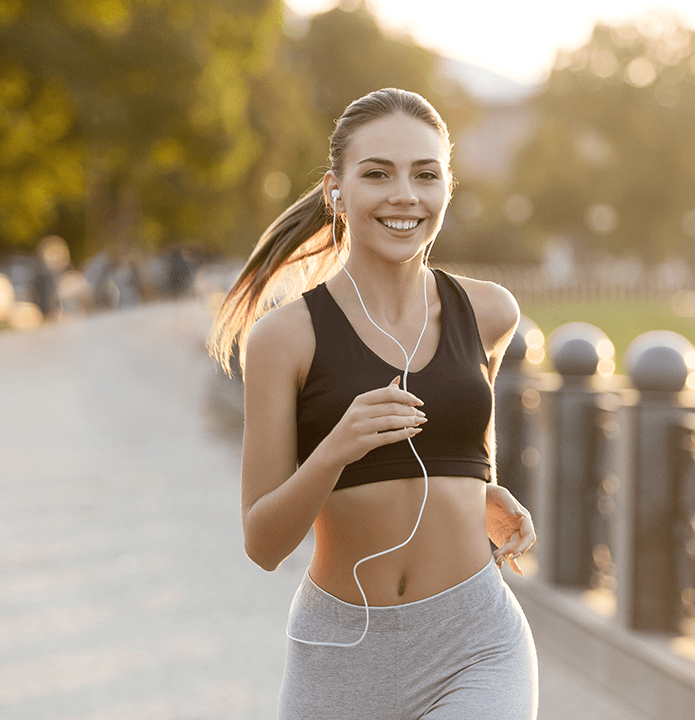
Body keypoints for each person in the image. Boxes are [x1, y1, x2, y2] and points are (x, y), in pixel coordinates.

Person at [209, 88, 538, 719]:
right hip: (340, 653)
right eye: (377, 174)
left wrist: (483, 493)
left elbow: (472, 445)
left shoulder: (489, 312)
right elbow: (264, 542)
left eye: (425, 174)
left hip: (477, 642)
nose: (404, 196)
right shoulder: (285, 338)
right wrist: (337, 448)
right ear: (337, 190)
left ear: (448, 187)